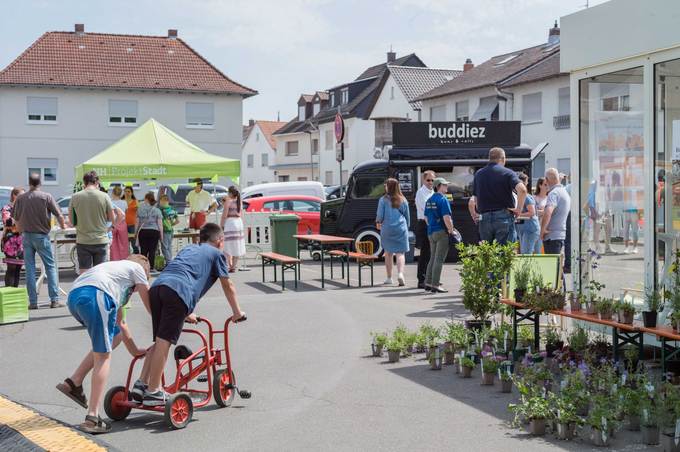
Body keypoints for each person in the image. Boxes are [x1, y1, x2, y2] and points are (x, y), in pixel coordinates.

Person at [139, 223, 246, 406]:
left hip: (158, 288)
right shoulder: (217, 254)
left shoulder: (189, 248)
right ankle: (153, 391)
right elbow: (228, 285)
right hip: (178, 292)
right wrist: (237, 312)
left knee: (159, 341)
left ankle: (141, 385)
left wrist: (186, 312)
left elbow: (184, 272)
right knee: (165, 342)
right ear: (220, 241)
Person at [56, 255, 151, 434]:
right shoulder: (137, 269)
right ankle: (93, 417)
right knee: (103, 357)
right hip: (97, 295)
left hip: (75, 297)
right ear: (144, 272)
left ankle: (73, 382)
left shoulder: (113, 273)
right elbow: (151, 306)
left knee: (111, 339)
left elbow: (121, 324)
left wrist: (135, 351)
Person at [13, 173, 66, 309]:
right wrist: (63, 226)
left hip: (26, 236)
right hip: (41, 236)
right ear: (40, 183)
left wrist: (20, 231)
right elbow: (59, 215)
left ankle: (33, 302)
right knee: (50, 266)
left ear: (29, 183)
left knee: (30, 269)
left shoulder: (21, 198)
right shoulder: (46, 196)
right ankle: (54, 300)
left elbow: (16, 219)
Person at [469, 147, 527, 245]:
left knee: (487, 254)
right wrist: (518, 210)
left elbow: (476, 198)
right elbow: (522, 190)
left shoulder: (478, 174)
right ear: (503, 159)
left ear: (490, 158)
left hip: (485, 218)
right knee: (504, 254)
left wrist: (481, 212)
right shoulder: (508, 173)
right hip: (503, 217)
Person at [70, 171, 118, 273]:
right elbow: (113, 219)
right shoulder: (104, 196)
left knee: (84, 276)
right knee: (100, 276)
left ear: (84, 182)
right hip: (101, 240)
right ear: (97, 182)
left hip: (83, 240)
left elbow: (72, 221)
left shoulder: (75, 197)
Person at [376, 178, 410, 286]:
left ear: (388, 187)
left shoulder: (383, 200)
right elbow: (407, 216)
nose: (384, 187)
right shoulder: (403, 199)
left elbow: (380, 216)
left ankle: (389, 278)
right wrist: (407, 227)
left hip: (387, 228)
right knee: (400, 253)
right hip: (400, 228)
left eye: (385, 185)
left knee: (388, 253)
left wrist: (378, 222)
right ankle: (400, 274)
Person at [424, 177, 455, 293]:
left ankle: (428, 282)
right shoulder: (443, 200)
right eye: (444, 185)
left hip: (431, 232)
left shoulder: (429, 200)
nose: (446, 187)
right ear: (438, 186)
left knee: (432, 257)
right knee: (439, 259)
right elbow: (447, 218)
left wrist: (432, 225)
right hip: (442, 232)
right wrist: (451, 231)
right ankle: (435, 285)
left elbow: (426, 217)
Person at [540, 168, 571, 256]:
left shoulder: (553, 193)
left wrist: (542, 230)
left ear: (546, 180)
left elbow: (548, 212)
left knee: (551, 266)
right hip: (560, 234)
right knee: (556, 265)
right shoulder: (564, 192)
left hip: (551, 236)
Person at [415, 171, 435, 289]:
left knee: (432, 253)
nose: (430, 182)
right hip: (424, 223)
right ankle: (421, 280)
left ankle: (431, 278)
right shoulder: (421, 192)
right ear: (423, 180)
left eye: (432, 180)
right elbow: (427, 209)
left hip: (432, 223)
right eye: (428, 180)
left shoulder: (432, 192)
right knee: (425, 253)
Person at [2, 187, 25, 287]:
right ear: (14, 196)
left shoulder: (24, 208)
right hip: (10, 242)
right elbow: (8, 222)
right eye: (21, 195)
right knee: (11, 267)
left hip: (22, 242)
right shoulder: (6, 208)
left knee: (18, 268)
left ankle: (15, 291)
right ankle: (8, 292)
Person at [220, 186, 246, 272]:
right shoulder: (239, 202)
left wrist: (221, 225)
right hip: (239, 223)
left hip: (230, 223)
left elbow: (224, 215)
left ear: (230, 193)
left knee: (228, 245)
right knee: (237, 245)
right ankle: (233, 267)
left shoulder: (228, 202)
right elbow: (241, 214)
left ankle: (229, 265)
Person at [136, 192, 163, 269]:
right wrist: (161, 236)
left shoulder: (140, 209)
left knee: (143, 250)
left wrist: (135, 233)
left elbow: (137, 223)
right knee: (152, 250)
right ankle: (151, 267)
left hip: (143, 231)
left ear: (146, 199)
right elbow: (160, 225)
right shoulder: (157, 210)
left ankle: (144, 267)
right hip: (154, 232)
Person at [515, 173, 541, 254]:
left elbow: (532, 212)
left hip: (530, 229)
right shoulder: (519, 196)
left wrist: (517, 214)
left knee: (526, 253)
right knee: (526, 253)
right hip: (525, 228)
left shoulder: (526, 196)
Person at [158, 194, 179, 267]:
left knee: (164, 248)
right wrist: (171, 224)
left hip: (164, 230)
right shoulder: (172, 210)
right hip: (171, 230)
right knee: (169, 247)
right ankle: (170, 261)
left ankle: (169, 262)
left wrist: (167, 225)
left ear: (164, 201)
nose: (160, 202)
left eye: (161, 201)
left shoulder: (161, 210)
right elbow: (177, 221)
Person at [110, 186, 129, 261]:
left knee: (113, 243)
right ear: (121, 194)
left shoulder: (110, 202)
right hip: (122, 223)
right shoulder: (124, 202)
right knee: (123, 243)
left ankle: (114, 260)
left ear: (113, 193)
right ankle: (123, 259)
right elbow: (126, 213)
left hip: (113, 223)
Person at [123, 186, 139, 254]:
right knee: (124, 243)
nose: (127, 193)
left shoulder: (135, 201)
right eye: (125, 191)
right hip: (123, 225)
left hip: (132, 225)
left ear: (132, 193)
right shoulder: (121, 201)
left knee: (134, 243)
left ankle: (136, 258)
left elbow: (138, 212)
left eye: (129, 191)